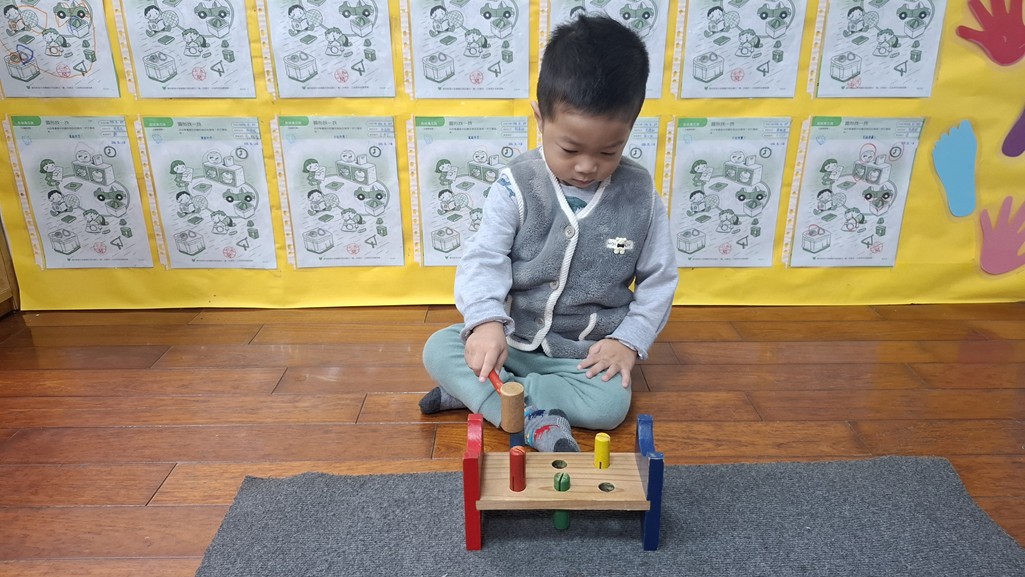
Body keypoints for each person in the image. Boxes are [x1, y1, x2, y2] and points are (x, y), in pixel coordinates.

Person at [420, 14, 678, 453]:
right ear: (540, 118)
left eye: (609, 151)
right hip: (512, 339)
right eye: (570, 148)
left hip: (582, 354)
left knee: (608, 407)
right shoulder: (516, 185)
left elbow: (660, 279)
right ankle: (525, 410)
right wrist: (486, 323)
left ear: (631, 128)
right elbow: (485, 257)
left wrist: (626, 343)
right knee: (438, 347)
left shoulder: (641, 198)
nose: (587, 166)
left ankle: (489, 396)